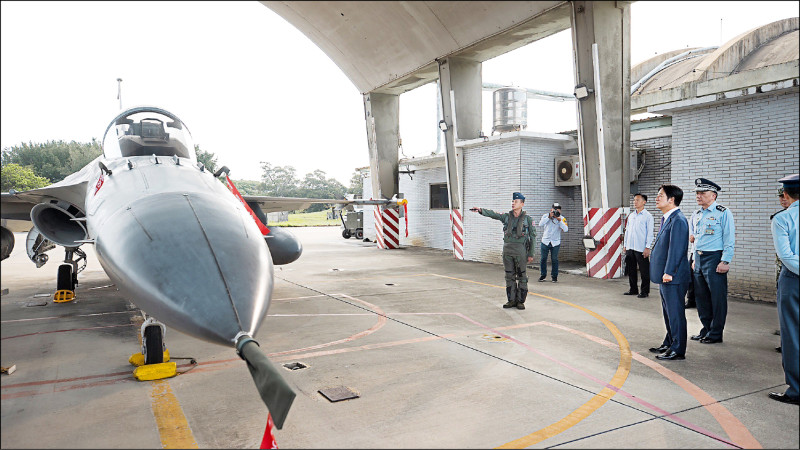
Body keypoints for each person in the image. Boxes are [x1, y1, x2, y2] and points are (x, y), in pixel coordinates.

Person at [689, 178, 735, 345]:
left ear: (713, 195)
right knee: (701, 298)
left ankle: (716, 333)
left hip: (715, 258)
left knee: (717, 298)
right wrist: (694, 258)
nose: (698, 196)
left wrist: (725, 260)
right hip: (699, 259)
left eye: (703, 193)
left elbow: (729, 238)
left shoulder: (723, 212)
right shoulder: (697, 214)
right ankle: (706, 329)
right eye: (697, 193)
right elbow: (694, 239)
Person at [648, 185, 691, 361]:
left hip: (673, 276)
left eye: (660, 195)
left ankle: (678, 349)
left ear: (671, 199)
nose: (657, 198)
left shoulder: (678, 220)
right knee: (668, 312)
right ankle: (669, 342)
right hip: (666, 276)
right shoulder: (668, 218)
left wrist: (669, 272)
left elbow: (677, 250)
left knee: (675, 313)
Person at [470, 192, 535, 310]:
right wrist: (480, 210)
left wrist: (531, 253)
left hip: (521, 250)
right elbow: (493, 214)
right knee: (509, 276)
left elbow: (533, 237)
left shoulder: (528, 220)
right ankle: (511, 300)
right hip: (507, 250)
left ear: (522, 204)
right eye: (512, 201)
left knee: (522, 276)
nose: (513, 203)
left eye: (516, 202)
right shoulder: (506, 217)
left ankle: (520, 301)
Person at [768, 174, 799, 405]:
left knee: (792, 335)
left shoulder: (782, 219)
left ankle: (796, 390)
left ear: (786, 194)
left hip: (793, 279)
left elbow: (786, 256)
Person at [771, 186, 790, 353]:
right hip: (782, 268)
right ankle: (786, 341)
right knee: (784, 304)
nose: (783, 199)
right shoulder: (780, 217)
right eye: (780, 197)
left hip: (792, 266)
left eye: (785, 196)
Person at [623, 193, 654, 298]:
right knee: (631, 269)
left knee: (644, 271)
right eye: (634, 200)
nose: (635, 202)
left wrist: (647, 247)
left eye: (637, 200)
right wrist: (625, 245)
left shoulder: (648, 216)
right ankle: (633, 289)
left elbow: (650, 233)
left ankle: (645, 291)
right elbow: (627, 231)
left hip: (641, 248)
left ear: (644, 202)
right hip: (630, 247)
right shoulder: (631, 216)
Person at [538, 202, 568, 283]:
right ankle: (543, 275)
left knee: (554, 259)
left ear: (560, 211)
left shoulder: (562, 218)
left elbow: (566, 229)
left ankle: (554, 277)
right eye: (554, 210)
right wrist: (549, 217)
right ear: (551, 210)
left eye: (558, 210)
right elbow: (540, 224)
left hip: (555, 242)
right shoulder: (545, 216)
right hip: (545, 241)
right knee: (543, 259)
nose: (556, 212)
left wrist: (560, 220)